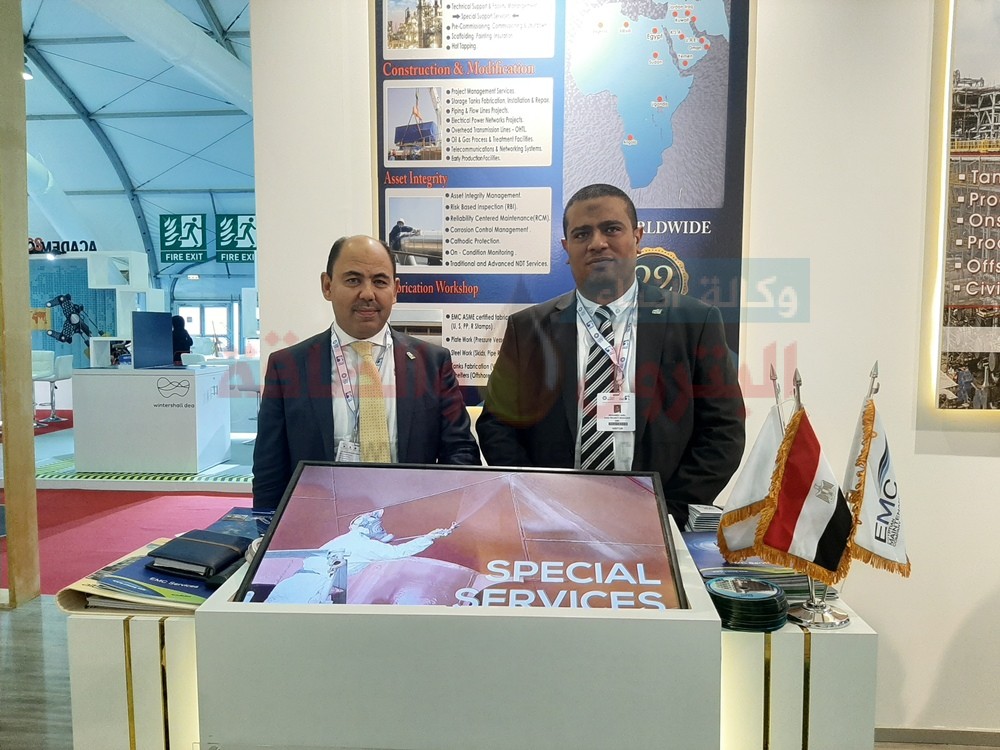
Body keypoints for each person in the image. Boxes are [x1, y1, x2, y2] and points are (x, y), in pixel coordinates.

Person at [476, 184, 746, 529]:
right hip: (553, 520)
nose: (597, 243)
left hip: (658, 521)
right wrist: (538, 498)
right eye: (582, 234)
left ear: (637, 237)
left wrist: (667, 509)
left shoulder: (694, 322)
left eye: (611, 229)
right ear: (566, 248)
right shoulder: (527, 329)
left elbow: (723, 430)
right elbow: (497, 425)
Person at [251, 234, 481, 511]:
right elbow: (269, 470)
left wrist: (444, 514)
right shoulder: (288, 366)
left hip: (410, 519)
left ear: (395, 290)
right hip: (320, 523)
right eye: (353, 280)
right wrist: (267, 526)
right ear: (327, 286)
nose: (368, 294)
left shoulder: (432, 363)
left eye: (380, 281)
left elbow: (460, 451)